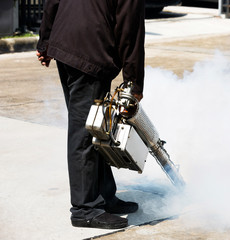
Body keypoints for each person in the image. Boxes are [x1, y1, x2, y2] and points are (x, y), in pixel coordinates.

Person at [36, 0, 145, 229]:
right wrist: (133, 84)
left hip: (65, 43)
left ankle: (104, 196)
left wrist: (44, 42)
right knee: (86, 132)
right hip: (90, 52)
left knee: (98, 128)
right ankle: (85, 209)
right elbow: (130, 29)